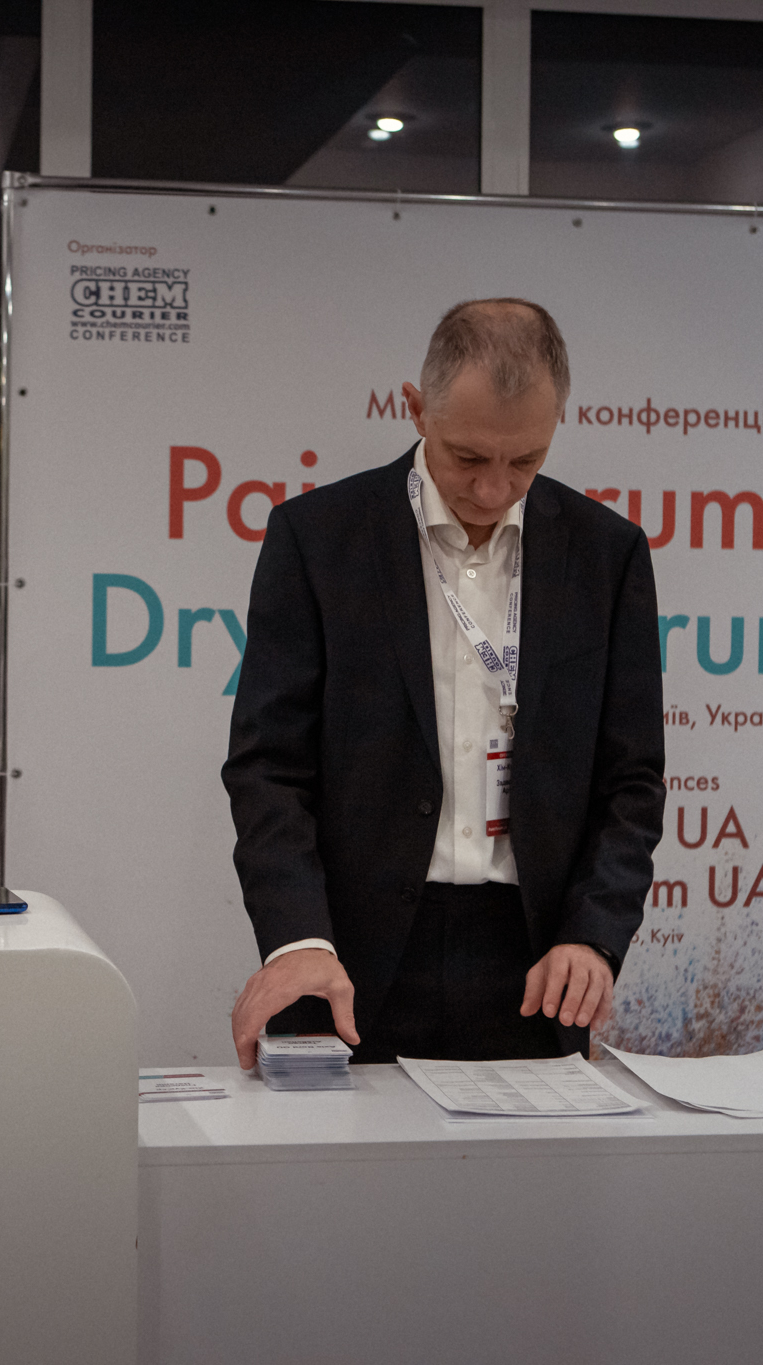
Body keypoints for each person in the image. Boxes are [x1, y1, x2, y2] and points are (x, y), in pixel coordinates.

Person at [221, 299, 664, 1068]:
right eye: (468, 457)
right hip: (344, 961)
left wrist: (593, 934)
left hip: (534, 968)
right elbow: (270, 766)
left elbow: (632, 778)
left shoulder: (607, 555)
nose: (494, 489)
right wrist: (297, 937)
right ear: (416, 408)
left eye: (525, 461)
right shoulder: (319, 539)